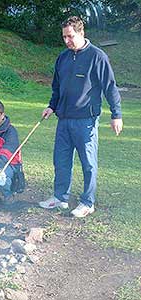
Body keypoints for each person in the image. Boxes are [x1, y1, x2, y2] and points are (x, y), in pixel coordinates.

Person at [39, 16, 123, 217]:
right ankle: (60, 198)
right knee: (61, 161)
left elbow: (110, 87)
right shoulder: (63, 57)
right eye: (64, 37)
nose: (67, 41)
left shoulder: (97, 56)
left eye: (70, 36)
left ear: (81, 33)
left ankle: (87, 202)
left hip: (86, 120)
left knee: (88, 163)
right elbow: (57, 87)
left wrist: (116, 114)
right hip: (64, 120)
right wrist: (52, 106)